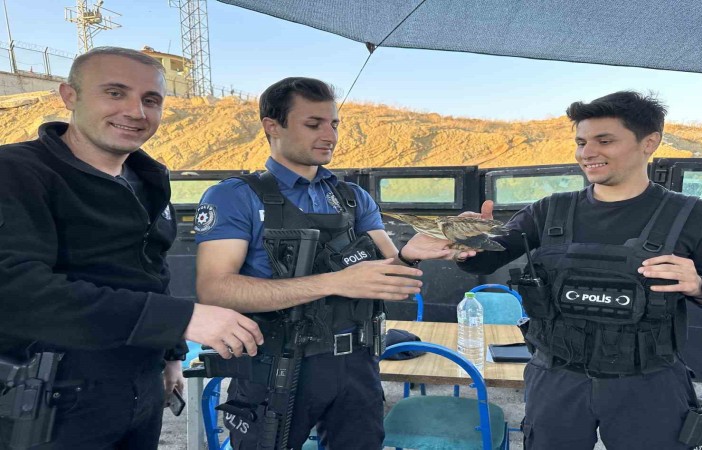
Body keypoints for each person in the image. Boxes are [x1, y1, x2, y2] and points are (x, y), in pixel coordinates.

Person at [404, 91, 702, 449]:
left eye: (605, 140)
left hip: (649, 382)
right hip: (557, 378)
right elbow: (485, 259)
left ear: (649, 143)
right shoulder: (548, 210)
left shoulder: (693, 215)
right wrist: (465, 242)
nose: (587, 153)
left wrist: (700, 285)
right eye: (581, 142)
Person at [0, 46, 264, 450]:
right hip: (51, 401)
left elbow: (152, 270)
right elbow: (17, 291)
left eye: (151, 100)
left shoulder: (148, 178)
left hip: (141, 389)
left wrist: (171, 355)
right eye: (115, 93)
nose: (136, 112)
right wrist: (180, 319)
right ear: (69, 96)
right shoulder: (17, 172)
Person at [194, 77, 446, 449]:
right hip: (277, 366)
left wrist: (415, 252)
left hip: (357, 363)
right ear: (272, 126)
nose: (330, 135)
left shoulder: (352, 198)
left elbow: (391, 272)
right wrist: (336, 281)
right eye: (313, 124)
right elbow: (215, 289)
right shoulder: (234, 196)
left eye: (334, 124)